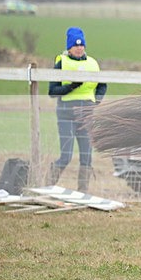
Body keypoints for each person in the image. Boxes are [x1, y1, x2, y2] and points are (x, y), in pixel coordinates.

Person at [48, 27, 107, 192]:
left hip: (86, 115)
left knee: (86, 157)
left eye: (82, 45)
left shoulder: (93, 63)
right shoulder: (61, 63)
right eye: (75, 45)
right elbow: (52, 91)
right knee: (66, 156)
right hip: (66, 114)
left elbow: (102, 85)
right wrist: (71, 87)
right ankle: (48, 185)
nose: (79, 48)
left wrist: (96, 101)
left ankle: (83, 192)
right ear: (69, 48)